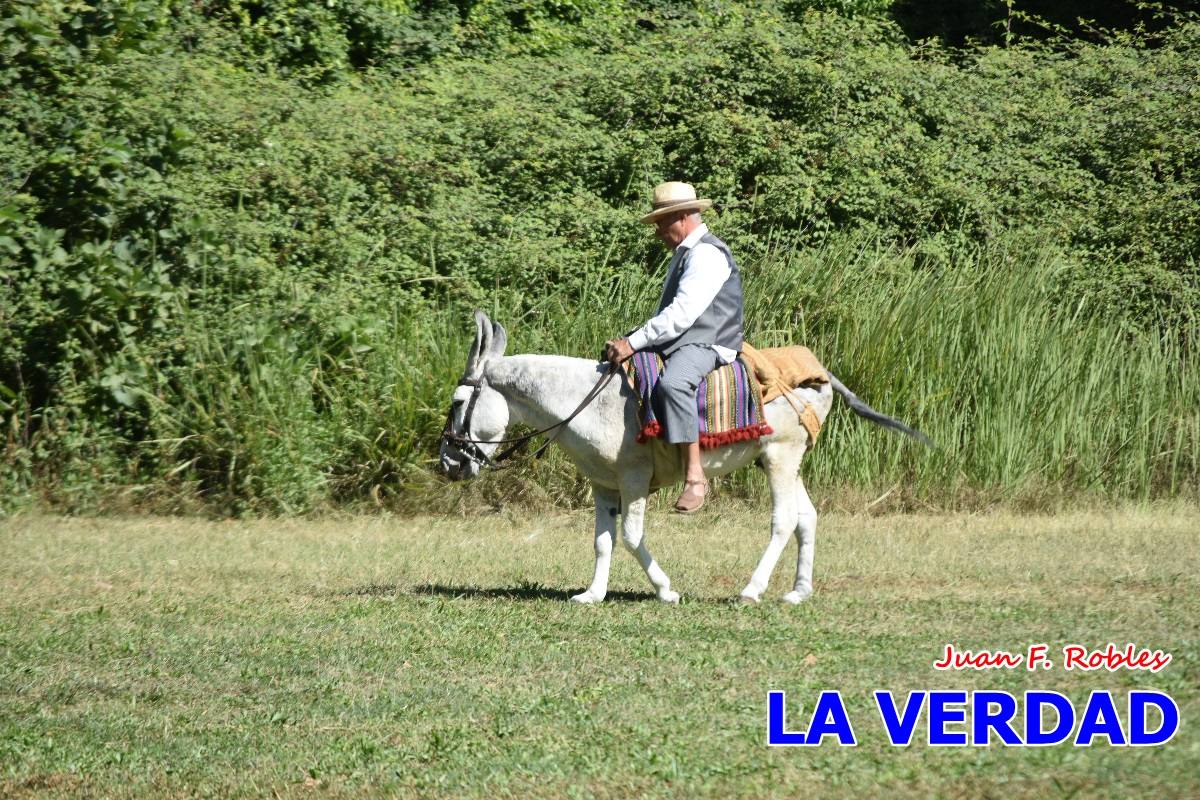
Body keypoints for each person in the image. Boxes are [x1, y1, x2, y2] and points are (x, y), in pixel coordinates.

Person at [604, 181, 744, 514]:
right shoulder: (686, 253)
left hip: (709, 342)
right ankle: (645, 464)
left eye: (661, 222)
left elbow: (681, 316)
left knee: (674, 384)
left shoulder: (706, 254)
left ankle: (695, 477)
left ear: (682, 217)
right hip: (684, 338)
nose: (658, 232)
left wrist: (633, 342)